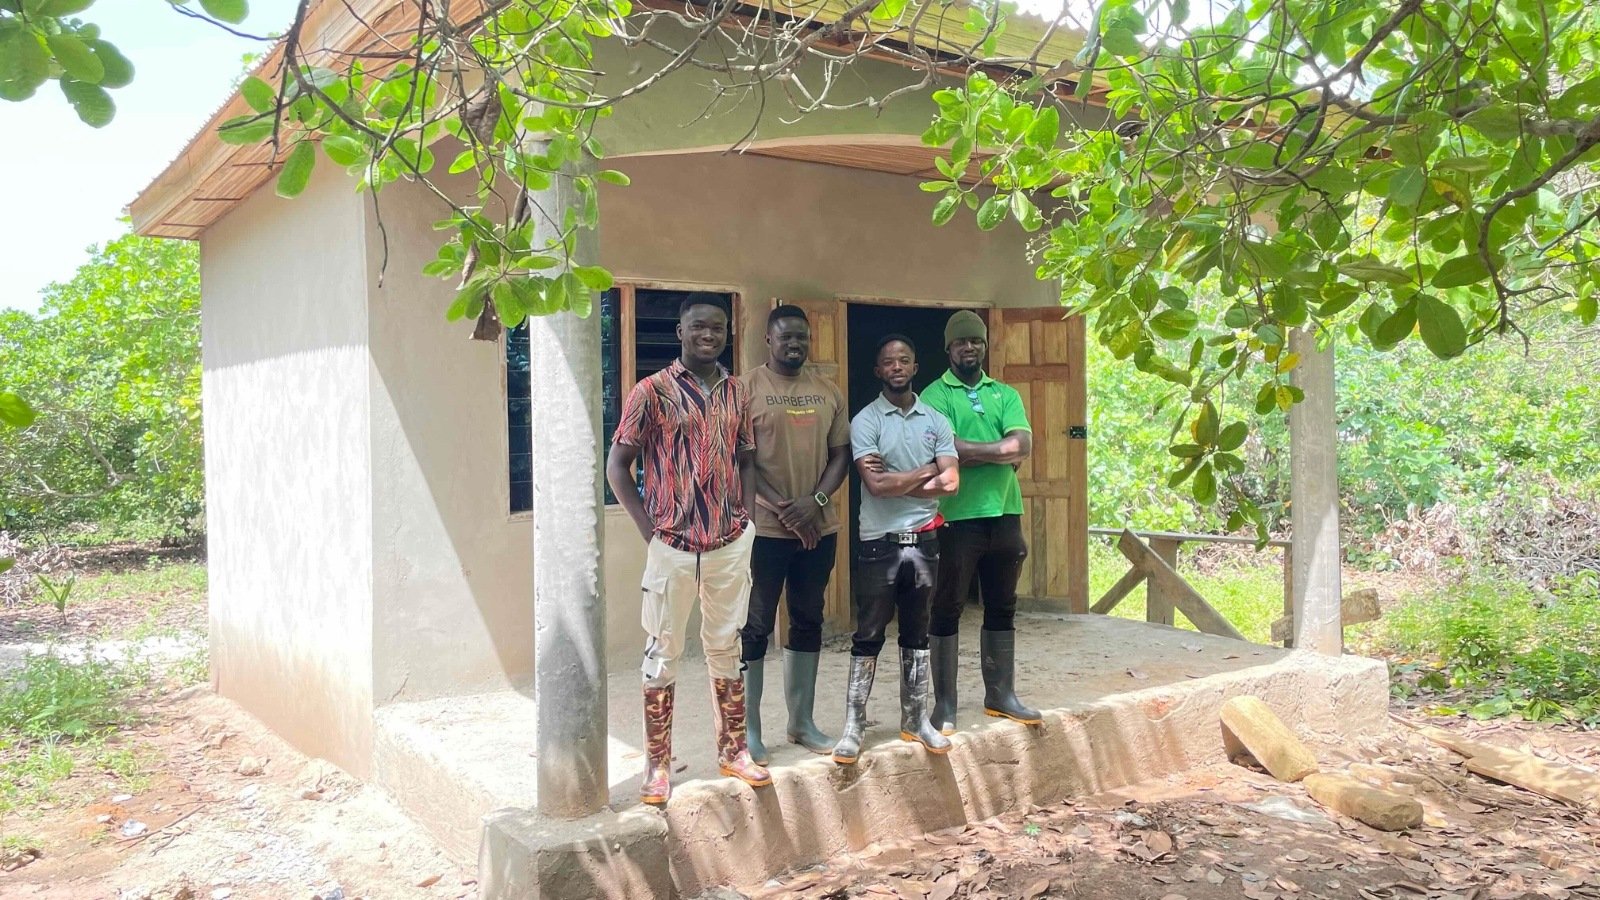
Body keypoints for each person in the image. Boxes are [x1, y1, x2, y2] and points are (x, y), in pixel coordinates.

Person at [606, 293, 770, 806]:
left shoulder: (737, 392)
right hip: (672, 543)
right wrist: (649, 530)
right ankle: (657, 766)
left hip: (727, 543)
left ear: (727, 333)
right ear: (680, 331)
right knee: (662, 653)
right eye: (698, 326)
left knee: (726, 645)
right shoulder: (650, 392)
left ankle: (733, 750)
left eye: (718, 327)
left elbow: (747, 459)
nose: (708, 334)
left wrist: (744, 519)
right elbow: (618, 466)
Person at [833, 334, 960, 765]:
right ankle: (854, 724)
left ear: (915, 366)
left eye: (904, 359)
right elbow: (876, 486)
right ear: (878, 371)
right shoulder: (866, 421)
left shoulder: (937, 420)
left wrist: (905, 476)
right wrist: (928, 471)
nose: (897, 367)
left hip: (924, 541)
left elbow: (952, 482)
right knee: (868, 633)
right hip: (878, 545)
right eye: (889, 362)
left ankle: (915, 718)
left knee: (917, 632)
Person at [738, 305, 851, 764]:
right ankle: (747, 730)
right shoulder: (745, 389)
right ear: (769, 339)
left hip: (818, 529)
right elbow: (738, 459)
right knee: (755, 627)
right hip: (763, 531)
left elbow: (840, 455)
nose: (795, 344)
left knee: (807, 620)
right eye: (786, 337)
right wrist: (785, 511)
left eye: (802, 337)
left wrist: (815, 505)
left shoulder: (827, 391)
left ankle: (801, 722)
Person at [920, 309, 1041, 734]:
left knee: (1003, 604)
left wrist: (972, 451)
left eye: (975, 341)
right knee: (947, 606)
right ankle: (945, 706)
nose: (968, 348)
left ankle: (1000, 695)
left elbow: (1023, 443)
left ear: (984, 346)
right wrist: (1000, 450)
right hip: (955, 516)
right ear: (948, 348)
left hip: (1005, 512)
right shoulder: (935, 396)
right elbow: (944, 448)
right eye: (960, 342)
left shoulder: (1005, 393)